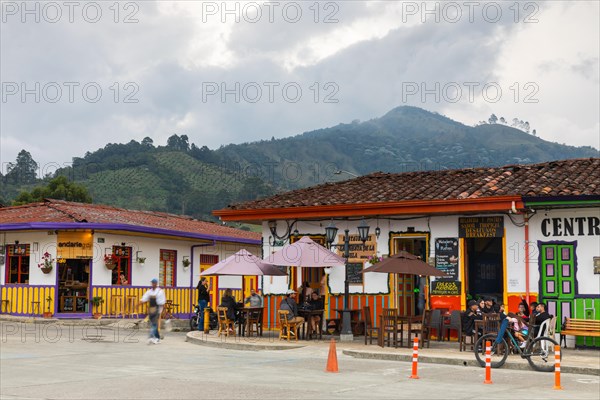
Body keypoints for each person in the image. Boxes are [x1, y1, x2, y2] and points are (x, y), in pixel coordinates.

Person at [139, 278, 166, 344]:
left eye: (154, 283)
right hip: (151, 309)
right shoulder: (149, 292)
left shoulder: (160, 291)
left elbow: (162, 302)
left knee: (153, 324)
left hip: (157, 309)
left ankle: (151, 337)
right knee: (153, 323)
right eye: (152, 283)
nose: (153, 284)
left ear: (156, 284)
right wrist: (139, 303)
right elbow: (144, 298)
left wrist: (164, 310)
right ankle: (157, 338)